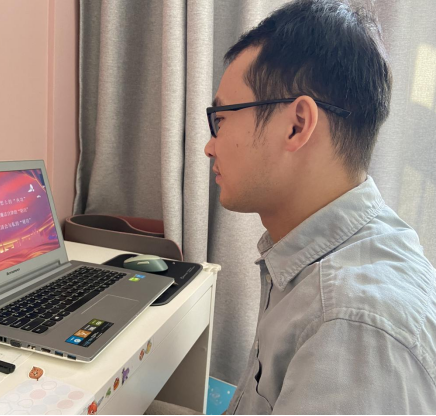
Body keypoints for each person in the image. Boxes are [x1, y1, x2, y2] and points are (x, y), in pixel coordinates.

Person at [146, 0, 436, 414]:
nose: (209, 146)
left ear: (297, 124)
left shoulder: (352, 327)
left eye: (221, 119)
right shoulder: (326, 253)